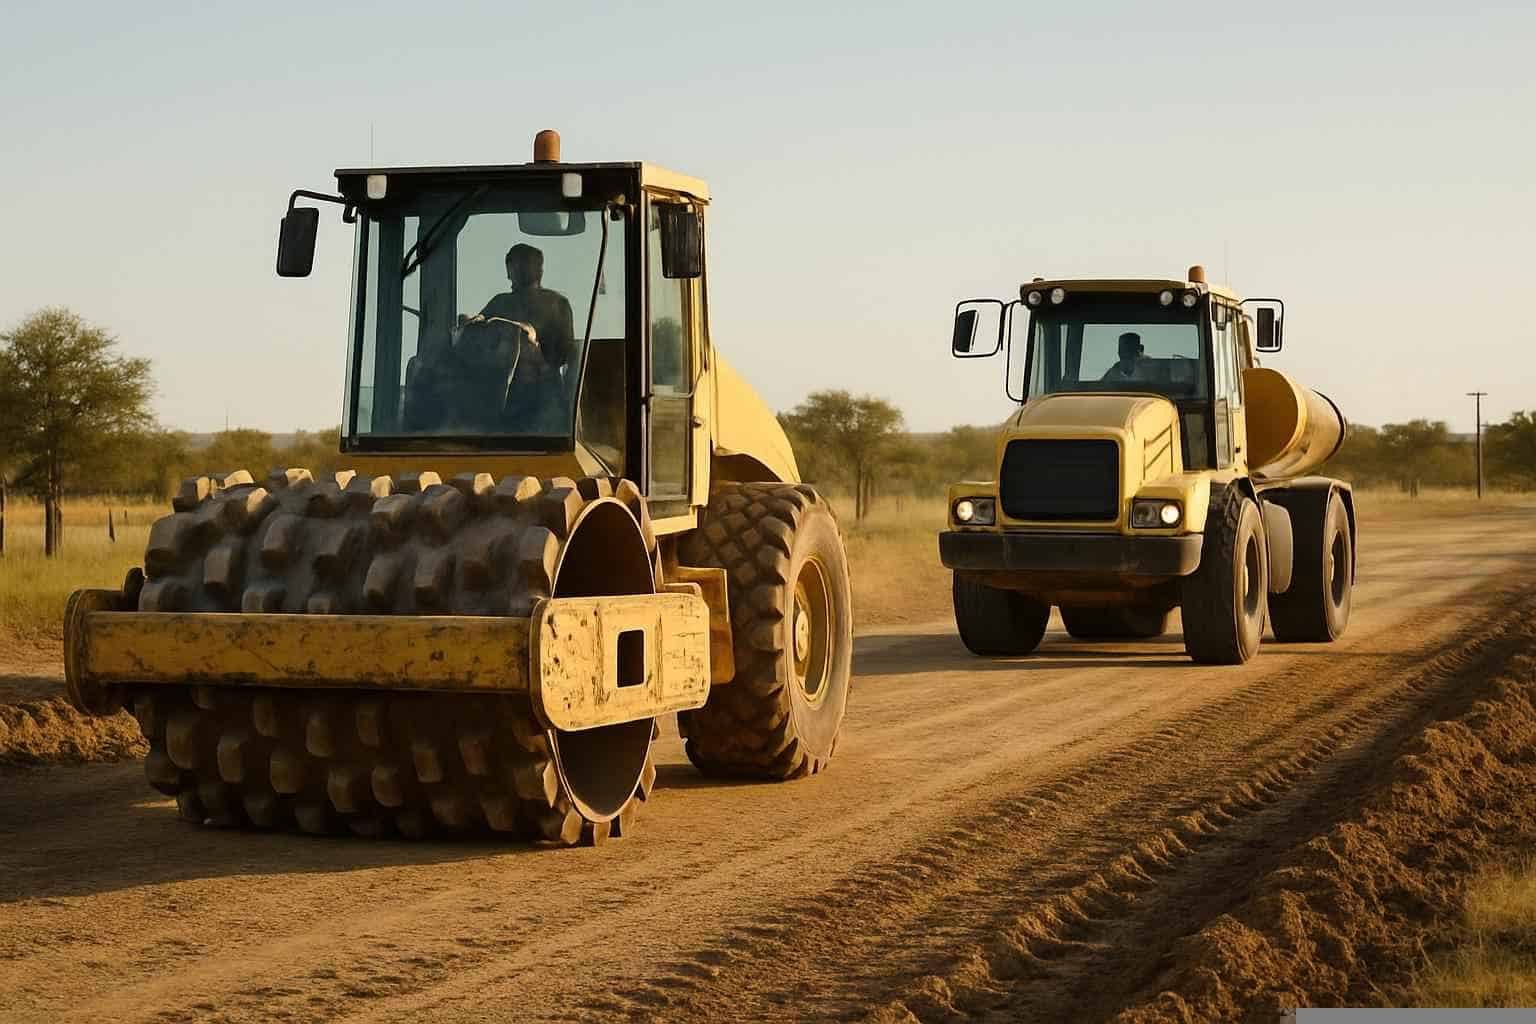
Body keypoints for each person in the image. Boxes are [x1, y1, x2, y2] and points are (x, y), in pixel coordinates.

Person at [477, 243, 576, 373]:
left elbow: (565, 355)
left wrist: (534, 352)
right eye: (515, 265)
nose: (518, 269)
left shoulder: (557, 304)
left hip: (544, 385)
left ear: (539, 271)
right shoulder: (500, 303)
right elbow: (477, 333)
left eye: (525, 264)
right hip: (505, 385)